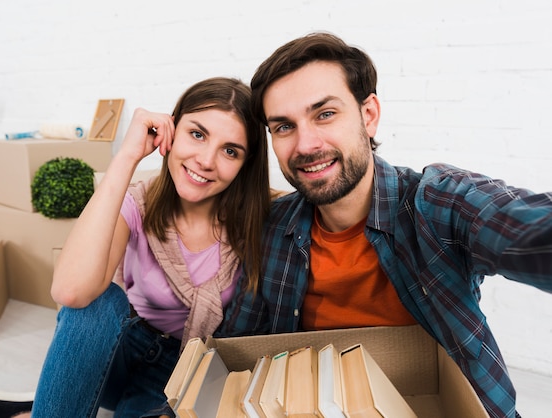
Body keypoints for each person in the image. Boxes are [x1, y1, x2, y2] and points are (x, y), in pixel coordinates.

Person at [218, 32, 552, 418]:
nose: (306, 145)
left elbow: (526, 230)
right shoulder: (273, 227)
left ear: (369, 115)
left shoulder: (437, 203)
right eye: (283, 127)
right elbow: (237, 346)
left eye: (325, 114)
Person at [0, 76, 270, 418]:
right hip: (119, 347)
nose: (206, 160)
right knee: (99, 302)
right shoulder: (139, 202)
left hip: (180, 372)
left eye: (230, 151)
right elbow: (70, 291)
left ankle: (41, 407)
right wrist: (127, 156)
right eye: (197, 134)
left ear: (245, 164)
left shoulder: (260, 224)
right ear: (172, 131)